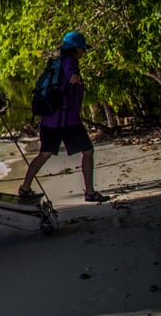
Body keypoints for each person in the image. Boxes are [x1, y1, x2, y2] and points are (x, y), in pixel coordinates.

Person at [19, 31, 111, 203]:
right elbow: (70, 78)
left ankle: (25, 188)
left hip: (49, 119)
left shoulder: (57, 63)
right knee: (88, 151)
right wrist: (74, 79)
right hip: (66, 119)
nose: (84, 52)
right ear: (75, 49)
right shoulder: (70, 63)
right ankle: (90, 192)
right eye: (82, 49)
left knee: (44, 154)